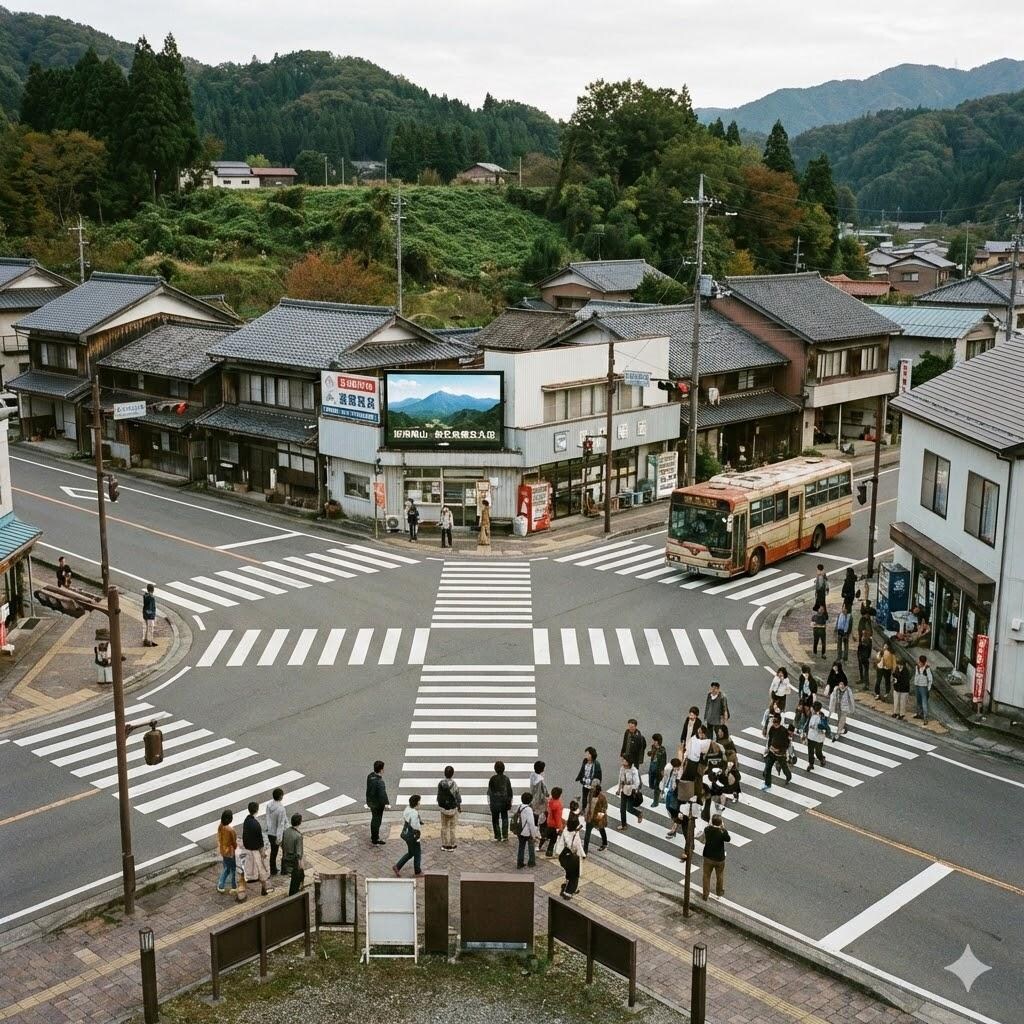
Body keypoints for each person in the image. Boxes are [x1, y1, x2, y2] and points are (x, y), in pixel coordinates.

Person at [240, 801, 272, 898]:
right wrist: (263, 853)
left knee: (245, 870)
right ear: (257, 810)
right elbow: (260, 841)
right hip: (255, 852)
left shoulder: (246, 821)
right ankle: (264, 889)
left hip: (247, 850)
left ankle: (242, 890)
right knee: (262, 871)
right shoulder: (256, 825)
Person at [555, 808, 586, 899]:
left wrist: (558, 853)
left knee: (569, 873)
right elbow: (578, 847)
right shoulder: (575, 835)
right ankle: (569, 892)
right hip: (573, 857)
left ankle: (567, 884)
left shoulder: (565, 831)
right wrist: (583, 855)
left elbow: (560, 844)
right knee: (575, 876)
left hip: (564, 856)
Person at [699, 814, 730, 899]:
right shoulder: (722, 832)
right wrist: (723, 828)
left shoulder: (707, 829)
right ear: (721, 823)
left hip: (708, 856)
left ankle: (705, 894)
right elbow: (728, 839)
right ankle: (719, 892)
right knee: (719, 875)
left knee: (706, 875)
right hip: (719, 858)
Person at [761, 713, 792, 790]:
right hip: (772, 752)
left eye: (775, 721)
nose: (774, 722)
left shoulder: (784, 731)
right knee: (768, 767)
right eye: (773, 720)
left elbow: (787, 744)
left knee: (784, 767)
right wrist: (768, 748)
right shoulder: (772, 728)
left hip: (780, 754)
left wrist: (780, 750)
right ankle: (767, 784)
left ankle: (788, 777)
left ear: (779, 721)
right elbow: (770, 739)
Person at [394, 795, 423, 876]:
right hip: (412, 836)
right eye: (419, 802)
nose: (420, 804)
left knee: (411, 853)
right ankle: (417, 871)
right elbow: (416, 827)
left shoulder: (407, 809)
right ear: (416, 804)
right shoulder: (414, 813)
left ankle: (397, 866)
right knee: (417, 853)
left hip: (406, 834)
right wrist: (417, 838)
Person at [436, 765, 462, 851]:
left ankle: (444, 845)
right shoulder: (454, 784)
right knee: (452, 827)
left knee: (444, 826)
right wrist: (459, 807)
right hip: (452, 809)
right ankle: (452, 844)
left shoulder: (440, 783)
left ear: (444, 773)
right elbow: (458, 798)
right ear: (452, 774)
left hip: (443, 809)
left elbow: (438, 796)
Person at [487, 760, 514, 841]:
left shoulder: (492, 779)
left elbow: (490, 791)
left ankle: (497, 835)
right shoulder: (506, 779)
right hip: (504, 802)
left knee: (495, 819)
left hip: (495, 802)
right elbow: (510, 791)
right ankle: (505, 835)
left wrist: (489, 802)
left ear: (495, 769)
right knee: (504, 818)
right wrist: (510, 801)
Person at [366, 760, 389, 846]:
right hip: (378, 805)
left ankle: (374, 836)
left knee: (374, 819)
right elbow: (382, 794)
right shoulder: (380, 782)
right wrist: (386, 804)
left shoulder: (370, 776)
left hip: (371, 802)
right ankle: (375, 838)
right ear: (381, 770)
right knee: (377, 820)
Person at [280, 813, 304, 896]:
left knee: (296, 878)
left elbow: (282, 844)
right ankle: (294, 895)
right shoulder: (298, 836)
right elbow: (299, 854)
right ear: (299, 822)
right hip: (294, 862)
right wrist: (300, 865)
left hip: (286, 857)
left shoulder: (286, 831)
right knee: (296, 881)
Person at [616, 756, 643, 830]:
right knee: (622, 809)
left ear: (628, 762)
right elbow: (620, 779)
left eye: (624, 760)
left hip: (631, 792)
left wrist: (631, 787)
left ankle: (638, 814)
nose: (623, 761)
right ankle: (624, 825)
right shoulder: (622, 769)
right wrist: (619, 789)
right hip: (624, 790)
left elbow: (637, 783)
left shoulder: (634, 770)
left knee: (629, 808)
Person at [265, 787, 287, 877]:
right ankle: (284, 869)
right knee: (285, 851)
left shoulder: (269, 805)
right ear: (281, 796)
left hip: (270, 832)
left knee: (274, 852)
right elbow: (281, 824)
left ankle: (273, 869)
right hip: (277, 834)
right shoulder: (281, 809)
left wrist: (268, 828)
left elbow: (267, 818)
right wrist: (279, 838)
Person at [514, 792, 538, 868]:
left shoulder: (519, 806)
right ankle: (531, 862)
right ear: (530, 800)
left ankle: (519, 862)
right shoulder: (529, 810)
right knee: (531, 846)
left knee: (521, 847)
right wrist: (533, 835)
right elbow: (531, 823)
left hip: (519, 830)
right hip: (527, 832)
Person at [216, 809, 237, 895]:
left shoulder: (220, 826)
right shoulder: (230, 830)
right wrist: (236, 847)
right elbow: (234, 841)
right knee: (231, 869)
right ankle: (231, 886)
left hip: (223, 851)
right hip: (230, 852)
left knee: (227, 868)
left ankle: (224, 885)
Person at [582, 782, 608, 853]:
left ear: (598, 791)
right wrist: (586, 813)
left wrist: (598, 819)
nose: (592, 790)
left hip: (598, 818)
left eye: (594, 789)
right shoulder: (590, 794)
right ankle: (585, 851)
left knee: (601, 829)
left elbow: (604, 808)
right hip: (590, 817)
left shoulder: (602, 798)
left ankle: (605, 843)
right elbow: (588, 804)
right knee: (587, 834)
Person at [804, 700, 830, 771]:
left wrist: (815, 727)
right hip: (811, 736)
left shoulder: (822, 716)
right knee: (810, 751)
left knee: (818, 752)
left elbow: (824, 727)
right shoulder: (811, 714)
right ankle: (811, 764)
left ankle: (821, 759)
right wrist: (805, 731)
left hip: (818, 737)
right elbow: (807, 723)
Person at [575, 747, 602, 811]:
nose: (585, 755)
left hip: (592, 784)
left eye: (587, 754)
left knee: (591, 798)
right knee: (584, 796)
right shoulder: (585, 761)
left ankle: (590, 811)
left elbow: (599, 775)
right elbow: (582, 770)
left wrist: (598, 784)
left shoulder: (596, 764)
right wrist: (580, 778)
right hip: (585, 783)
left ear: (591, 755)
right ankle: (584, 809)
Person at [663, 757, 684, 837]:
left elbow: (678, 783)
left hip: (675, 793)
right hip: (669, 791)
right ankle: (676, 821)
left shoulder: (680, 773)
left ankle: (675, 826)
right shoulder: (672, 770)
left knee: (674, 808)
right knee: (668, 807)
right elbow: (669, 779)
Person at [529, 760, 550, 838]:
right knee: (542, 817)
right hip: (539, 801)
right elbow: (545, 791)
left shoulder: (532, 776)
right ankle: (541, 833)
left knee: (534, 816)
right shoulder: (540, 780)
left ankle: (533, 831)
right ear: (542, 769)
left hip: (532, 799)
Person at [646, 735, 667, 807]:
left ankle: (655, 802)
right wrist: (650, 753)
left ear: (658, 741)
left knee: (656, 786)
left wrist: (662, 771)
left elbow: (663, 762)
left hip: (658, 769)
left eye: (655, 741)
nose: (653, 742)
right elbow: (650, 753)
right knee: (651, 784)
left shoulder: (662, 751)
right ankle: (658, 792)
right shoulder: (653, 747)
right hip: (652, 766)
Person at [543, 786, 564, 856]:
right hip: (555, 825)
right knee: (553, 839)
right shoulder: (558, 804)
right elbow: (557, 817)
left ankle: (542, 846)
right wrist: (560, 827)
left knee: (547, 836)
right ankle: (549, 851)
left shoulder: (551, 801)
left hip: (549, 822)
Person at [913, 654, 934, 724]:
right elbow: (916, 675)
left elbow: (930, 679)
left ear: (923, 662)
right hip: (917, 685)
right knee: (918, 701)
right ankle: (919, 714)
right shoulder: (917, 667)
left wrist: (928, 688)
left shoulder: (927, 669)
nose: (919, 663)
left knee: (924, 703)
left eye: (920, 662)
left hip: (923, 687)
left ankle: (925, 718)